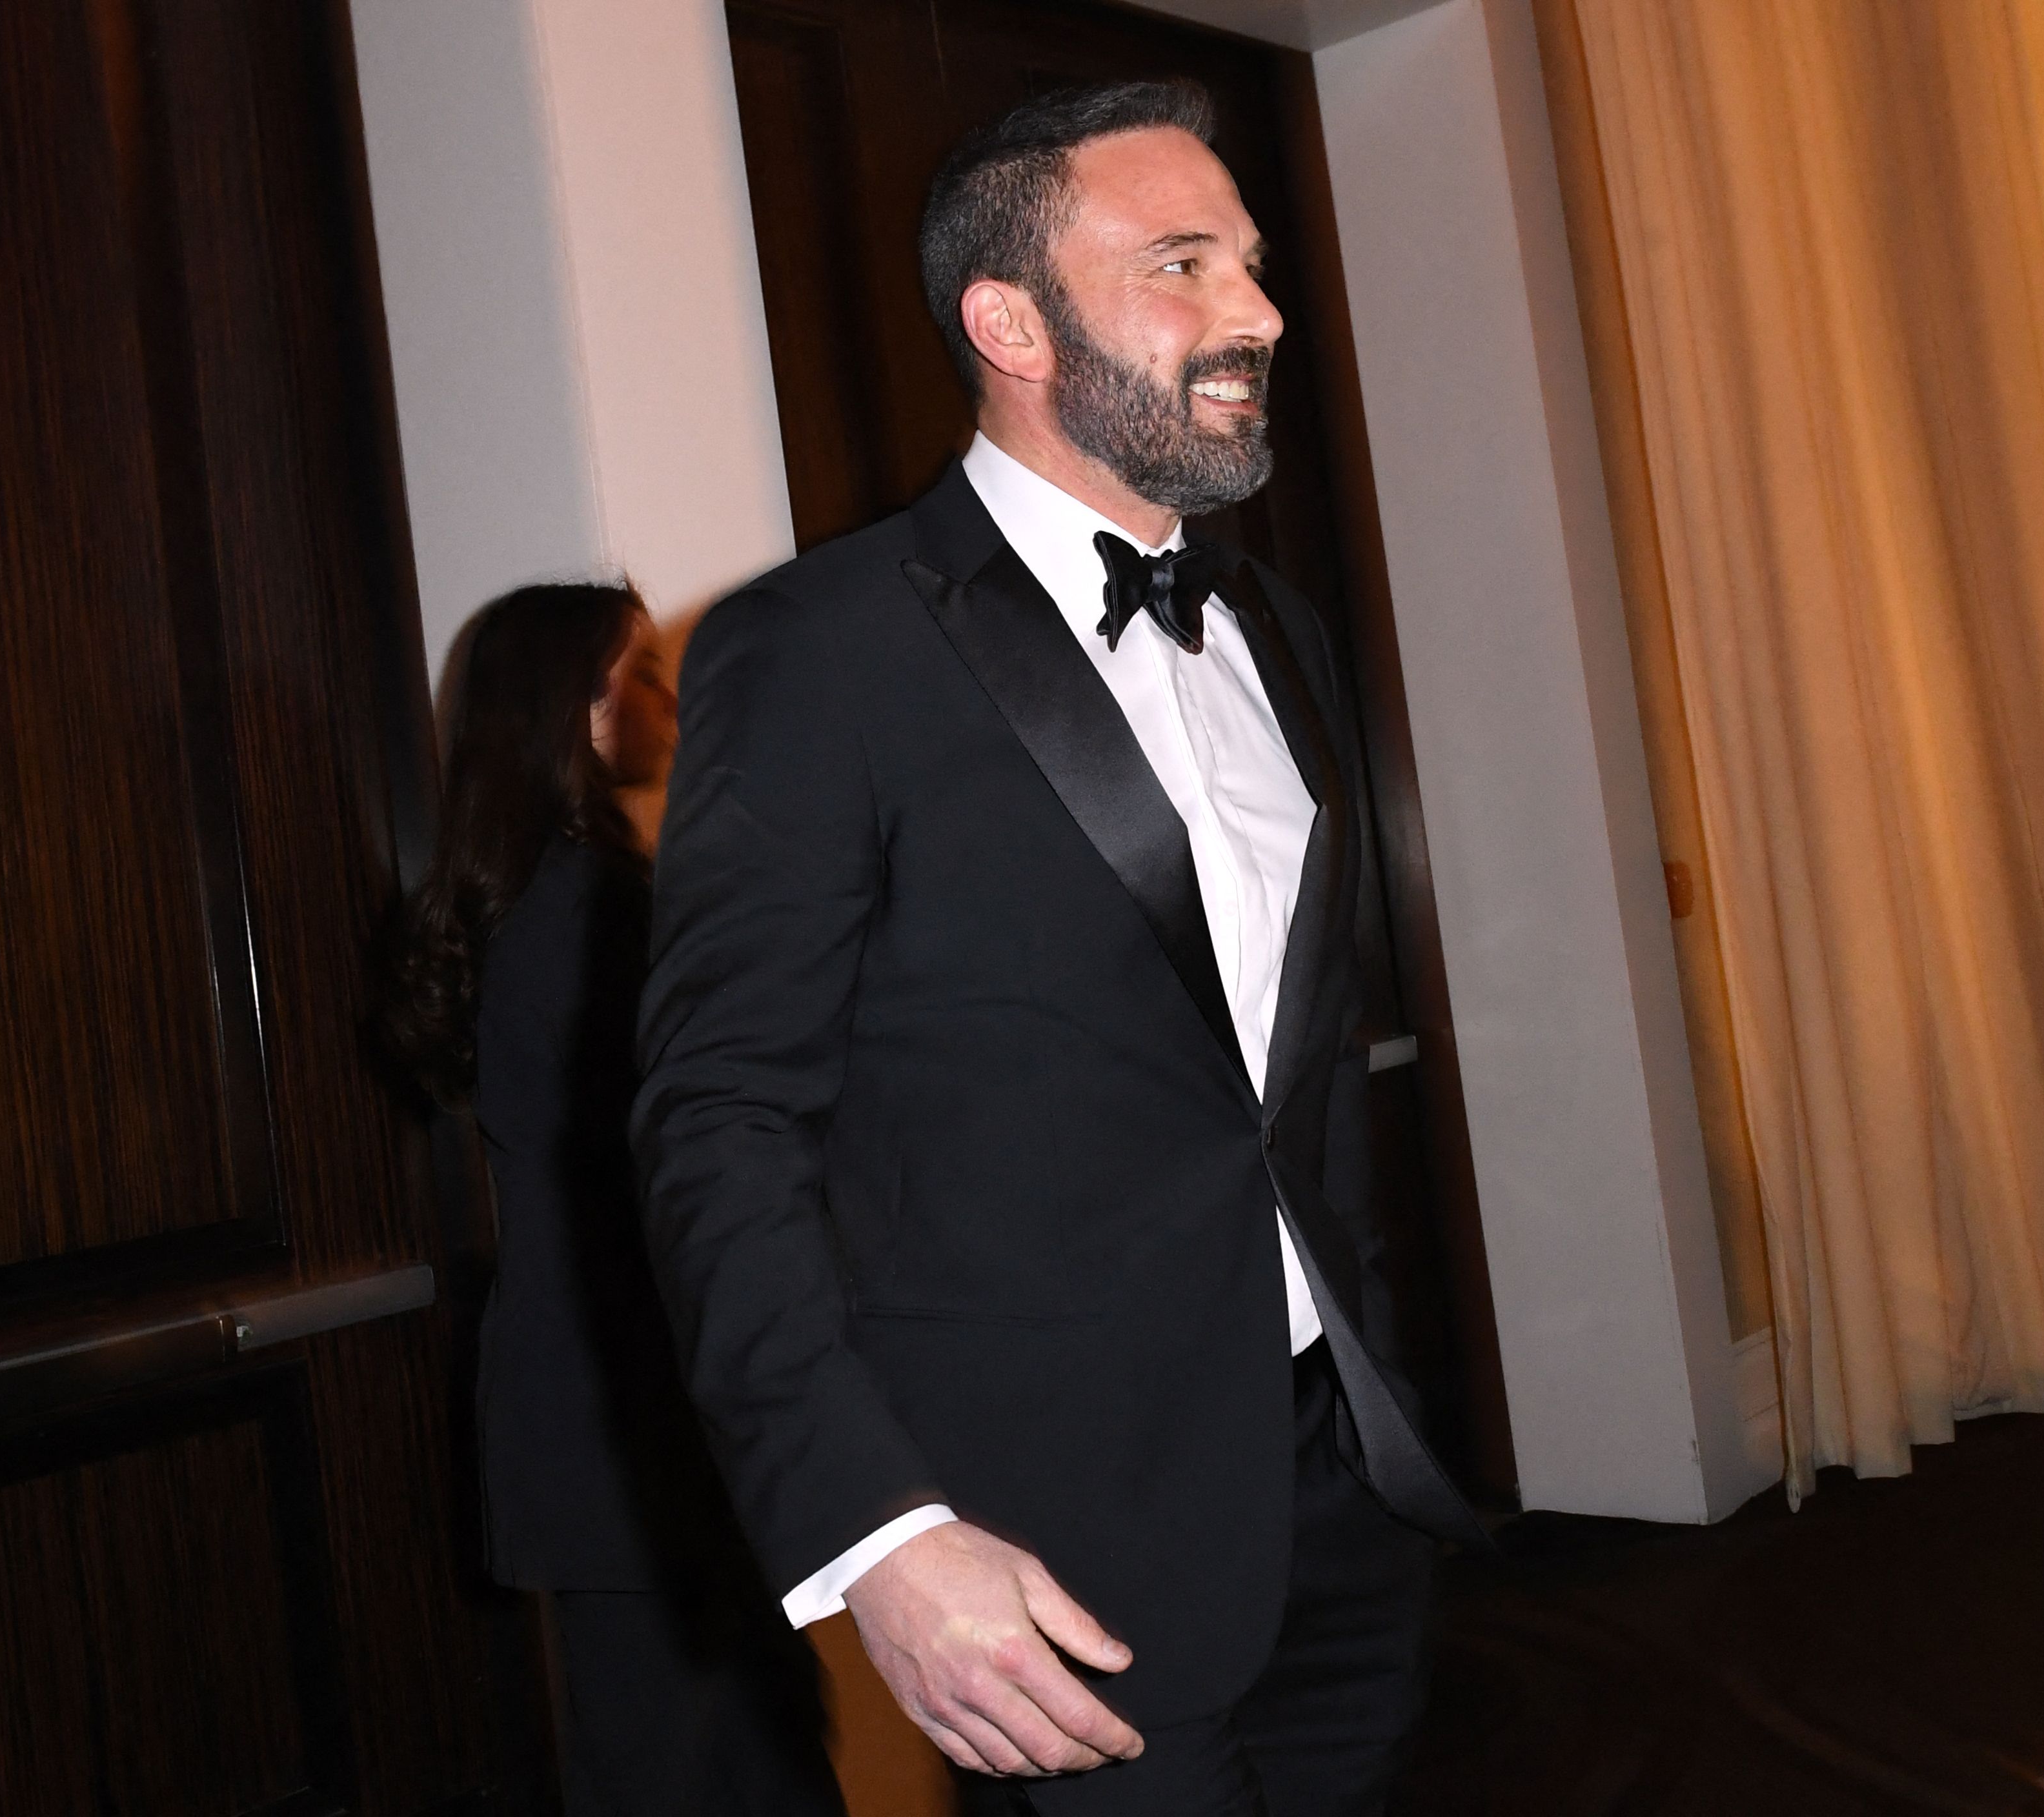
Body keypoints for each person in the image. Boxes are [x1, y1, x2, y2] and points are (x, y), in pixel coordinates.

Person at [633, 80, 1482, 1816]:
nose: (1256, 312)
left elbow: (1264, 1077)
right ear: (1010, 323)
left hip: (1340, 1491)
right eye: (1182, 264)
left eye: (1248, 262)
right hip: (1043, 1560)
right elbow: (718, 1123)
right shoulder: (818, 649)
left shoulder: (1277, 630)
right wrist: (881, 1534)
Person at [382, 582, 844, 1817]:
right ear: (573, 711)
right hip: (632, 1409)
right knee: (697, 1760)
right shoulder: (591, 913)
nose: (666, 696)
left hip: (603, 1401)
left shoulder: (549, 901)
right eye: (636, 671)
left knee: (728, 1745)